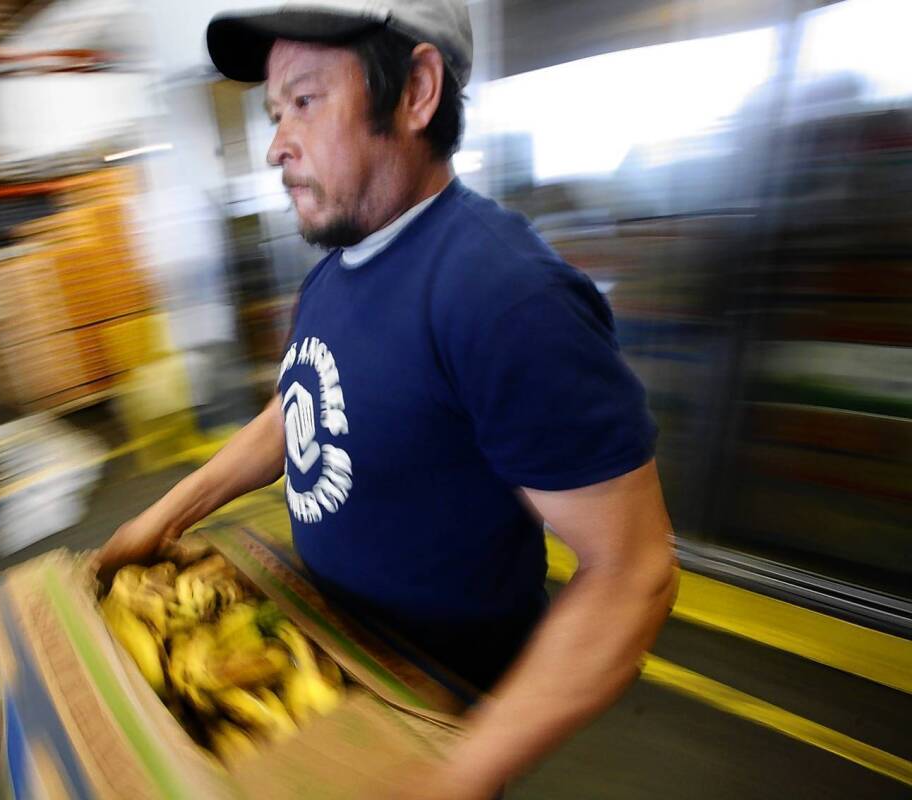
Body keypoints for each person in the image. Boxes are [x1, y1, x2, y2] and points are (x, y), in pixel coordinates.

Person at [97, 1, 678, 796]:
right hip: (330, 667)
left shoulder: (502, 296)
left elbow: (632, 571)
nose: (275, 145)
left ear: (415, 92)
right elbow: (298, 411)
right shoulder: (335, 273)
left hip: (429, 719)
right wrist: (166, 515)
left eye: (304, 100)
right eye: (273, 113)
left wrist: (452, 781)